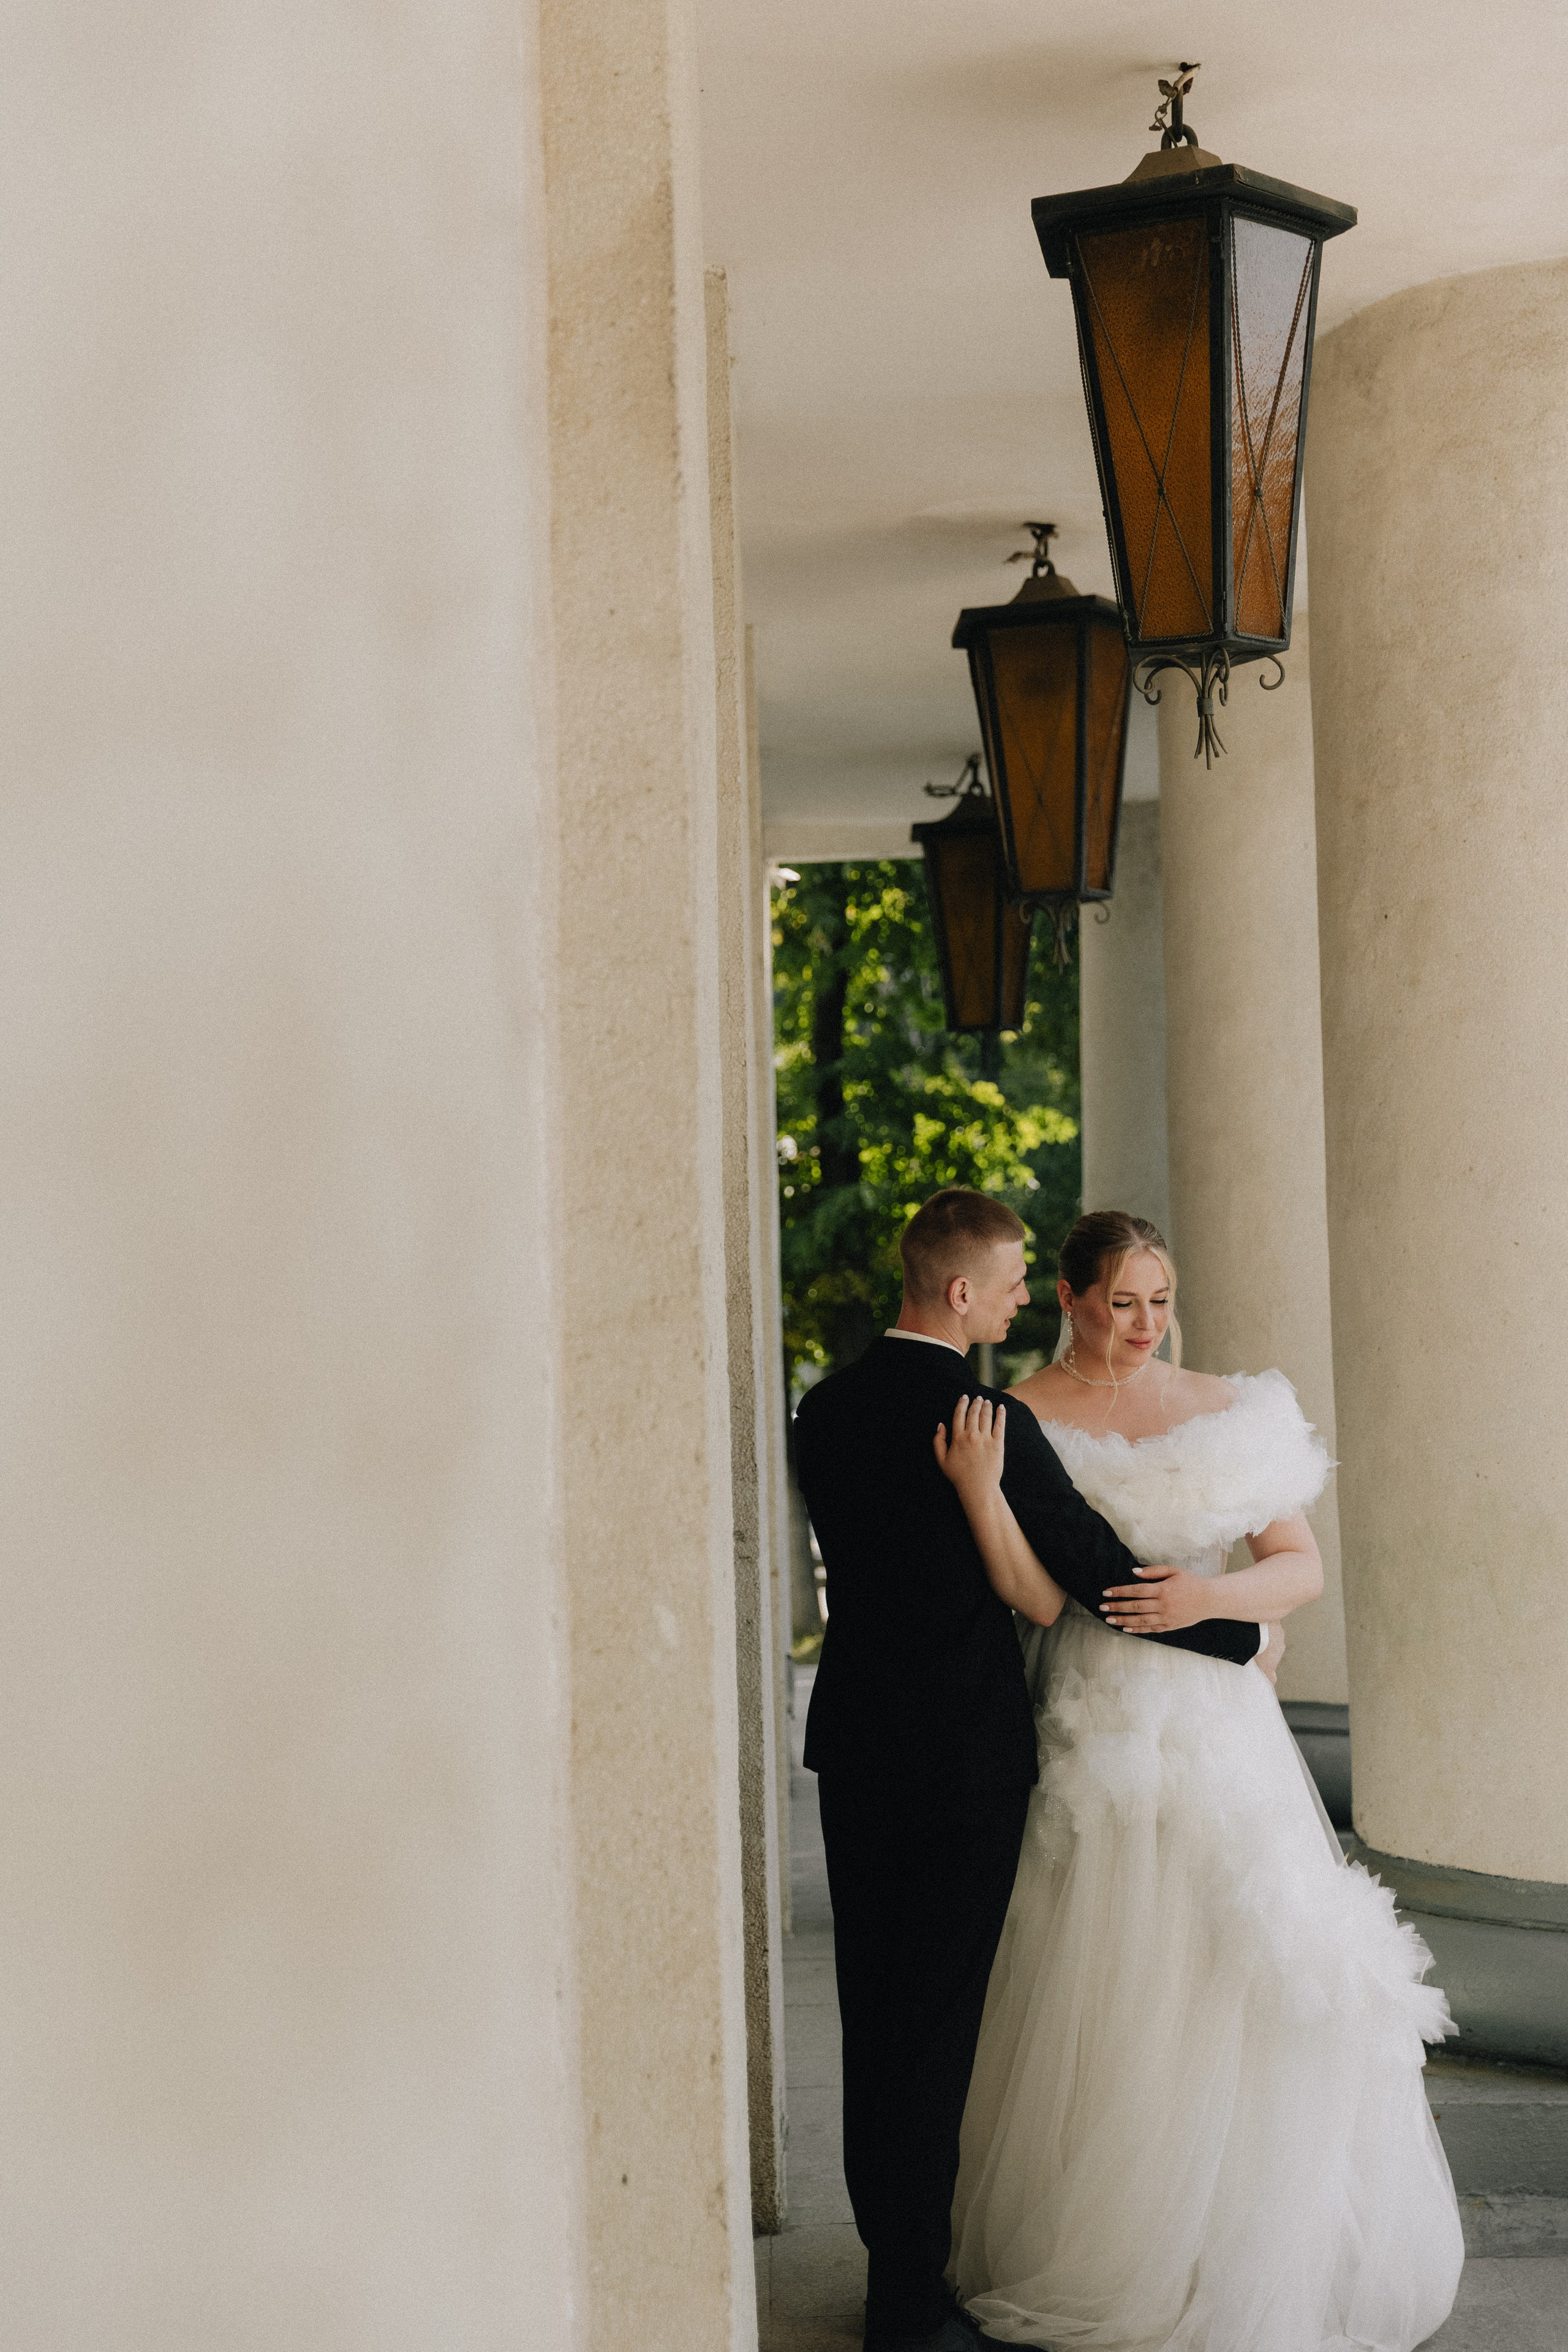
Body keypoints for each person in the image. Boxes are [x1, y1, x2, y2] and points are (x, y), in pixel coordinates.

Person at [938, 1209, 1464, 2352]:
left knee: (1248, 1962)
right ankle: (1122, 2242)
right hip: (1094, 1716)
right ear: (1071, 1300)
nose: (1145, 1326)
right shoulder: (1023, 1418)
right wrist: (984, 1493)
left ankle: (1259, 2249)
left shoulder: (1234, 1407)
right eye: (1121, 1302)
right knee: (1111, 1969)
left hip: (1221, 1724)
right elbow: (1033, 1590)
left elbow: (1300, 1570)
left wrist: (1204, 1603)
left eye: (1160, 1301)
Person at [793, 1190, 1267, 2352]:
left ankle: (889, 2265)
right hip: (961, 1757)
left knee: (875, 2013)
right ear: (962, 1294)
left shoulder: (824, 1408)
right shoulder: (982, 1412)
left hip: (854, 1744)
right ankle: (911, 2296)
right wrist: (1238, 1636)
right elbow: (1078, 1580)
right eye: (1009, 1284)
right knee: (943, 2020)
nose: (1018, 1301)